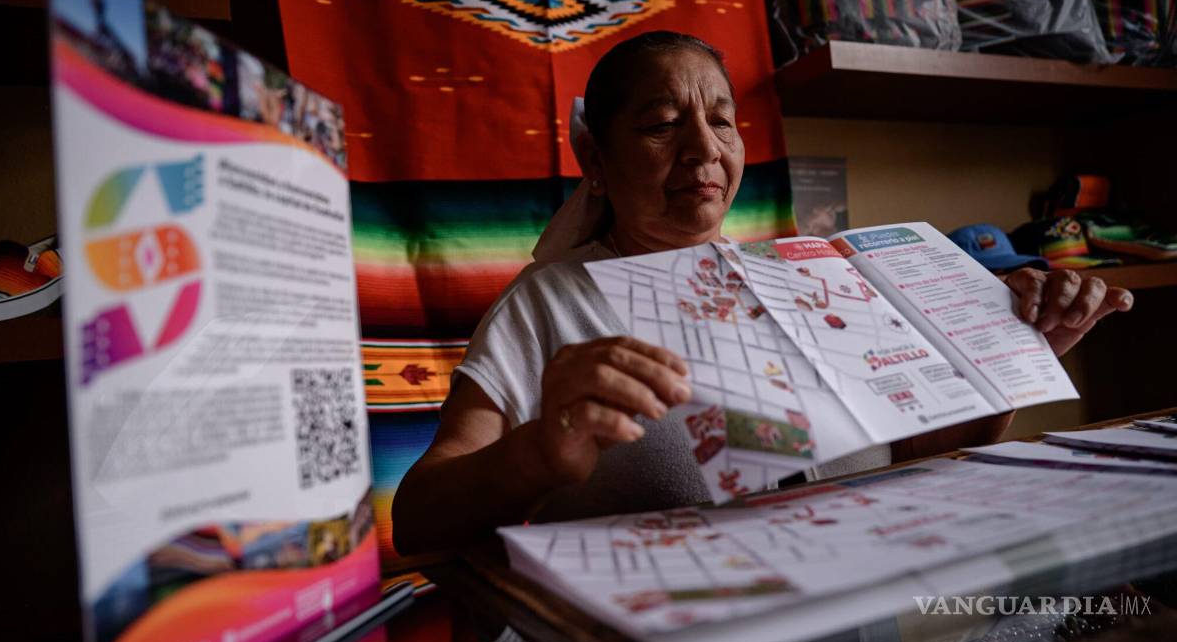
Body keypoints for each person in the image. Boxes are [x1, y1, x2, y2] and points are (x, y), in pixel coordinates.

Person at [391, 31, 1133, 555]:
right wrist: (542, 452)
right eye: (661, 124)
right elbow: (419, 519)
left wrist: (998, 361)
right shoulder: (548, 302)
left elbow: (908, 457)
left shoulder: (810, 278)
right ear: (596, 158)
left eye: (722, 121)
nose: (704, 149)